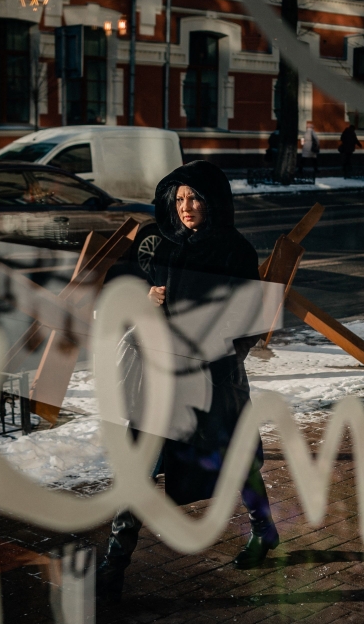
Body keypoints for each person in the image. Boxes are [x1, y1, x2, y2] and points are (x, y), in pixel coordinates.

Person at [95, 160, 279, 604]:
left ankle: (264, 529)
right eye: (179, 199)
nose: (186, 207)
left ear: (212, 200)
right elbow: (117, 292)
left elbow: (251, 322)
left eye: (194, 197)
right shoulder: (158, 244)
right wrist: (147, 298)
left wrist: (218, 349)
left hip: (214, 381)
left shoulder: (235, 251)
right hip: (159, 380)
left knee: (236, 460)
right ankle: (113, 565)